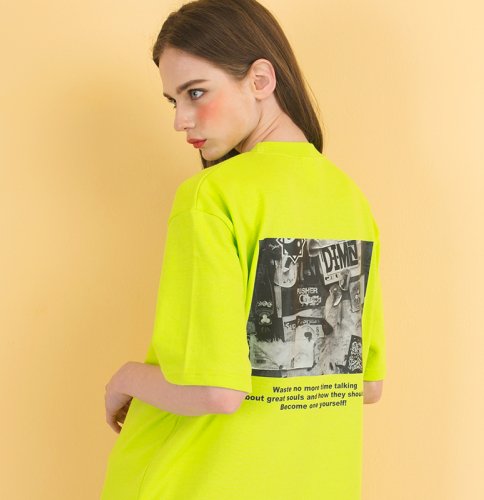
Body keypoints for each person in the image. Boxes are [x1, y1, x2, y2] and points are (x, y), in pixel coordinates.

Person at [100, 0, 386, 498]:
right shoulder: (351, 200)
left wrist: (126, 379)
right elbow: (366, 383)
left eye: (195, 92)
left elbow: (217, 391)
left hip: (197, 483)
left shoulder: (211, 196)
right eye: (173, 101)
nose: (180, 120)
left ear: (260, 80)